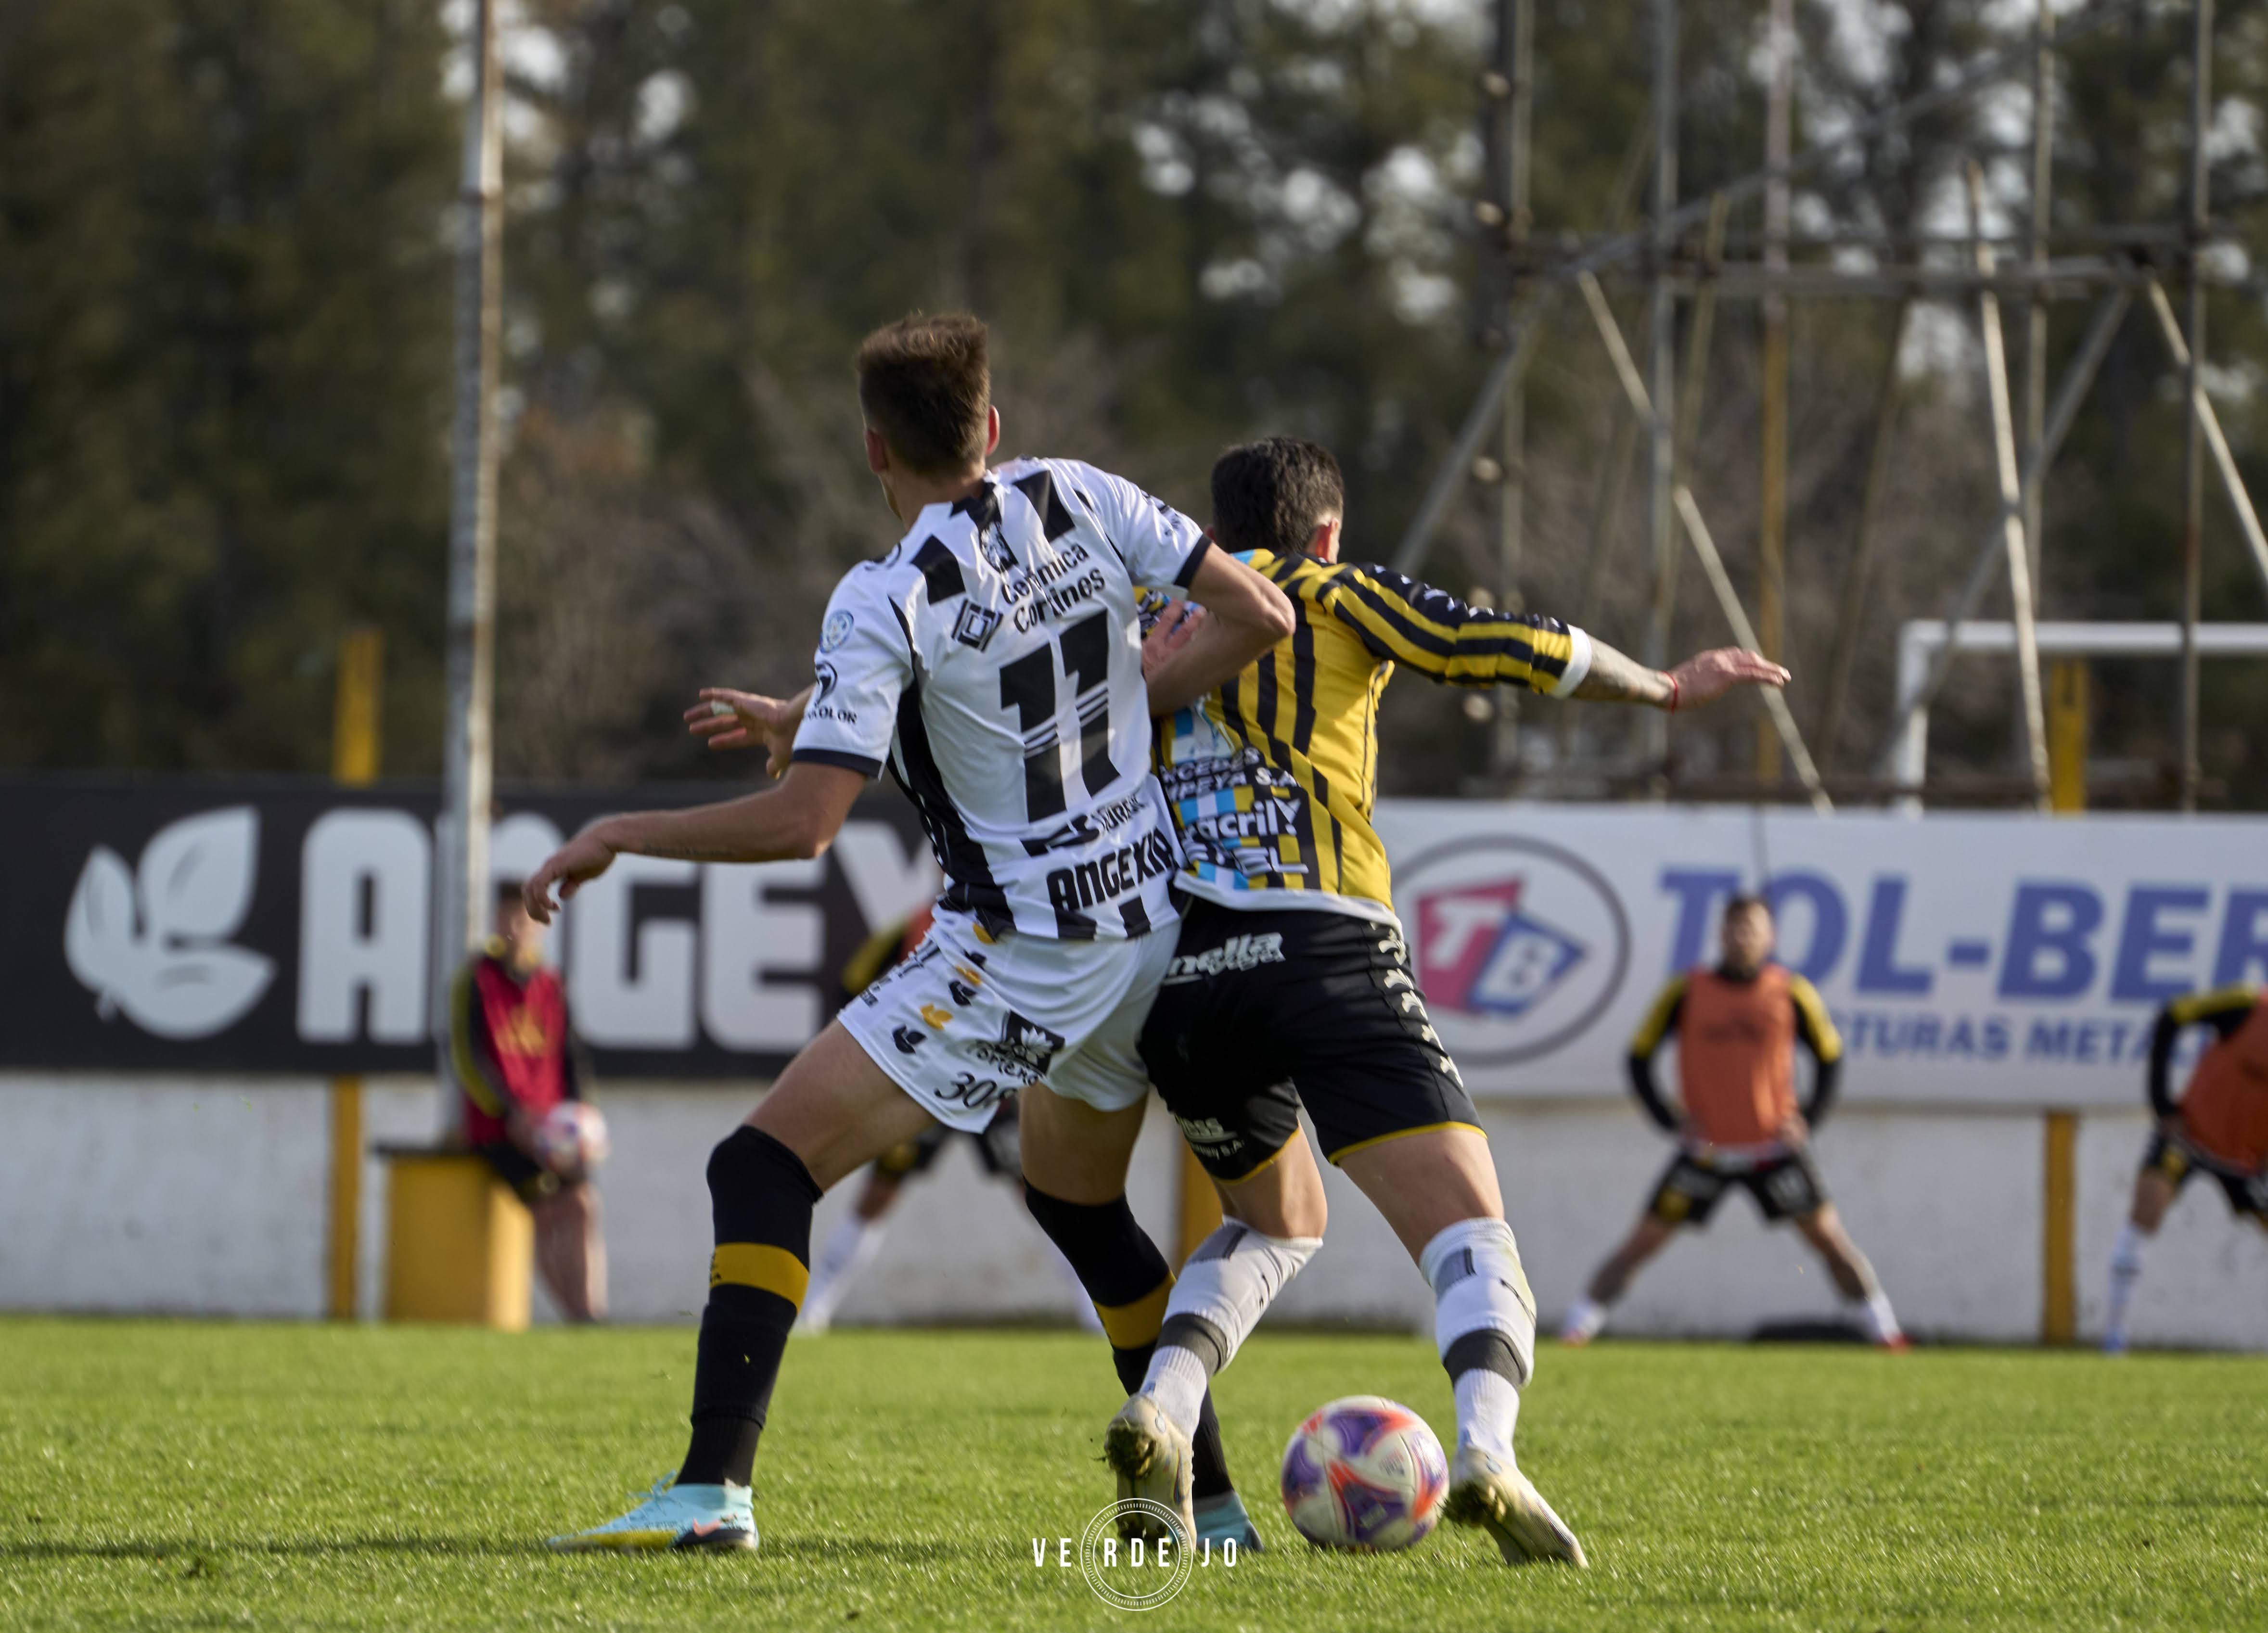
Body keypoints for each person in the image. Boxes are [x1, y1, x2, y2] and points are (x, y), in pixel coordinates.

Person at [528, 311, 1295, 1552]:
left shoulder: (885, 593)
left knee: (762, 1165)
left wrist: (622, 829)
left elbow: (803, 825)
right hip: (1149, 920)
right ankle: (1206, 1510)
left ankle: (711, 1488)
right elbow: (1261, 614)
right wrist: (1107, 710)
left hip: (1029, 950)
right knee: (1080, 1206)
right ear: (991, 426)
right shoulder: (1081, 494)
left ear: (874, 451)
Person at [1103, 436, 1792, 1566]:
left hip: (1181, 979)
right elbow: (1506, 645)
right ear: (1324, 534)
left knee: (1278, 1219)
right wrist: (1665, 685)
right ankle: (1486, 1450)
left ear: (1212, 535)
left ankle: (1166, 1406)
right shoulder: (1329, 588)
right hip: (1327, 948)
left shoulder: (1152, 618)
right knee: (1474, 1235)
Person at [1559, 893, 1905, 1350]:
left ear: (1769, 936)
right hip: (1705, 1154)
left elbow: (1829, 1056)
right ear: (1720, 934)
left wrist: (1808, 1118)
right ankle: (1578, 1328)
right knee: (1640, 1244)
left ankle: (1885, 1332)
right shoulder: (1686, 991)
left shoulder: (1790, 991)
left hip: (1773, 1152)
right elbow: (1639, 1055)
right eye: (1734, 927)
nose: (1742, 936)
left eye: (1752, 928)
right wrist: (1669, 1118)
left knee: (1830, 1243)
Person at [796, 905, 1101, 1336]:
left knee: (1040, 1195)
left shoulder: (1017, 930)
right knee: (878, 1193)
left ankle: (1095, 1308)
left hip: (994, 1089)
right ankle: (814, 1309)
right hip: (921, 1091)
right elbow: (852, 991)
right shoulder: (910, 929)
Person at [449, 882, 606, 1323]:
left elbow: (572, 1055)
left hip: (554, 1126)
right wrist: (509, 1113)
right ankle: (576, 1317)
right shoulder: (475, 978)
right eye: (507, 918)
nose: (516, 927)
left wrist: (582, 1110)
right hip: (503, 1129)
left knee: (581, 1206)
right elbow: (467, 1057)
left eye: (525, 919)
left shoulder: (551, 981)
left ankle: (592, 1310)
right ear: (495, 922)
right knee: (545, 1211)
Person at [2102, 981, 2268, 1354]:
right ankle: (2113, 1342)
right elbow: (2172, 1015)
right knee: (2146, 1211)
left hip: (2248, 1160)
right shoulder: (2247, 1005)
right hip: (2190, 1136)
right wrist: (2162, 1103)